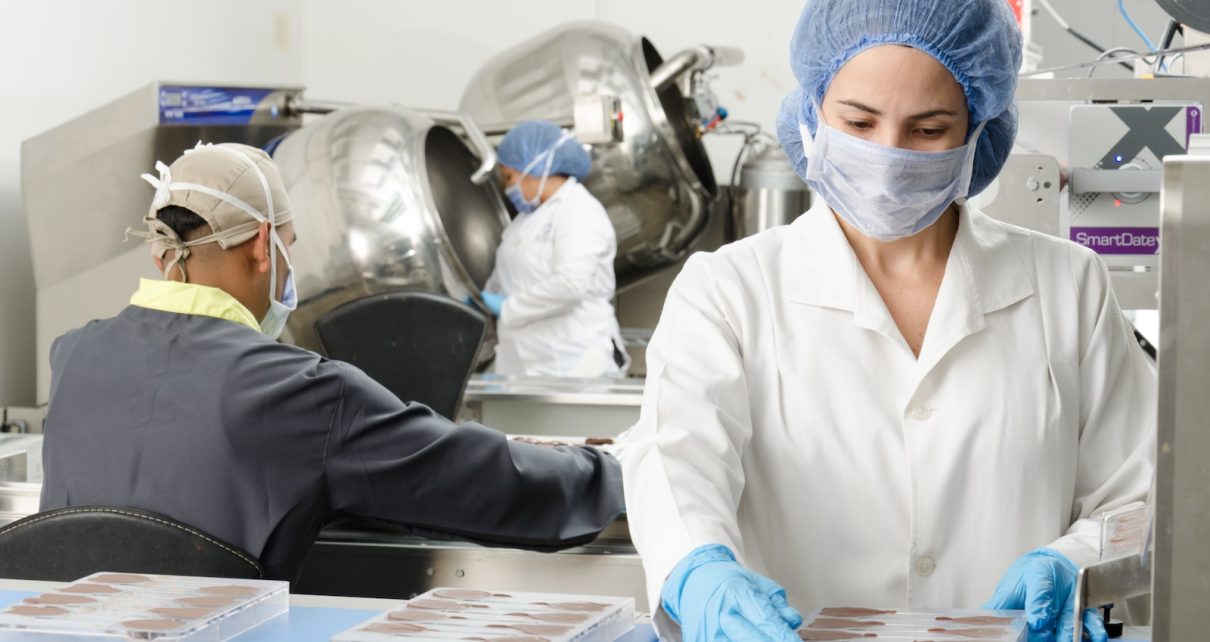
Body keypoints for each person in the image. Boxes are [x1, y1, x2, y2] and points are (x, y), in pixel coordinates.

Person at [621, 1, 1155, 641]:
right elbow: (676, 462)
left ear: (979, 129)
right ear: (813, 112)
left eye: (928, 130)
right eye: (858, 121)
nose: (888, 155)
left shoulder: (1068, 285)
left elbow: (1136, 496)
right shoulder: (729, 289)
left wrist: (1073, 565)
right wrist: (698, 570)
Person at [39, 142, 625, 580]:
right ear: (263, 246)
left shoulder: (72, 357)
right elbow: (482, 481)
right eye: (289, 248)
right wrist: (619, 471)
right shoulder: (297, 392)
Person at [480, 120, 628, 378]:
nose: (508, 188)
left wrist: (508, 307)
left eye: (509, 177)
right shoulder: (525, 219)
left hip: (574, 364)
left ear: (535, 166)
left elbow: (571, 284)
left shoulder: (578, 210)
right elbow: (512, 273)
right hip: (525, 366)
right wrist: (484, 296)